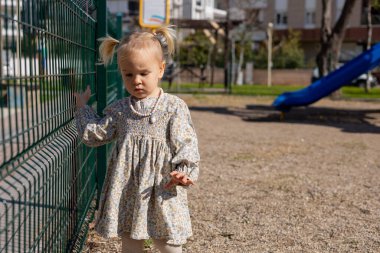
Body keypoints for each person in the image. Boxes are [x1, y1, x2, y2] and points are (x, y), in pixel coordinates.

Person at [73, 26, 200, 253]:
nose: (136, 81)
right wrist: (82, 109)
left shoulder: (174, 107)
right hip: (130, 189)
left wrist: (184, 171)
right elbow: (95, 134)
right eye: (128, 74)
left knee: (169, 241)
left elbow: (187, 142)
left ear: (161, 70)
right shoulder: (121, 110)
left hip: (163, 186)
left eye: (144, 73)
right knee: (131, 241)